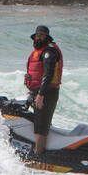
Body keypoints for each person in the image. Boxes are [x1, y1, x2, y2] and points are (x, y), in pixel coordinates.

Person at [24, 24, 64, 156]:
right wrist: (32, 92)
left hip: (47, 93)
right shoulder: (37, 52)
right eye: (37, 35)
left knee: (41, 127)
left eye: (42, 35)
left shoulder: (48, 53)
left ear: (47, 37)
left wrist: (40, 95)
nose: (39, 37)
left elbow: (49, 75)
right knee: (37, 123)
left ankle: (38, 154)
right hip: (37, 92)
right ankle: (36, 148)